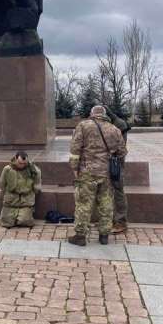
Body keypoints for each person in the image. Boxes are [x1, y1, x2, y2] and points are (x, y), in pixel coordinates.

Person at [68, 105, 127, 246]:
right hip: (106, 173)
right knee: (106, 203)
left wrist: (74, 168)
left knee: (84, 204)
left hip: (87, 172)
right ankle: (104, 235)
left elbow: (75, 149)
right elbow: (122, 152)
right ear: (105, 114)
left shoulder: (83, 126)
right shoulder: (114, 129)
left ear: (92, 113)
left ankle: (80, 236)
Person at [104, 106, 132, 234]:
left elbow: (120, 148)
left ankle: (121, 222)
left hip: (115, 163)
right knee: (108, 191)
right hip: (109, 162)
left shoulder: (119, 124)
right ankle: (109, 220)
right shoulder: (113, 123)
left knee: (118, 191)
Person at [0, 150, 42, 228]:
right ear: (15, 159)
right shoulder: (7, 169)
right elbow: (2, 183)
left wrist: (35, 191)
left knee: (24, 221)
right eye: (20, 163)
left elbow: (37, 184)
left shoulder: (34, 170)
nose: (22, 165)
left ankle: (22, 215)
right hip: (11, 200)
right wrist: (5, 195)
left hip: (26, 200)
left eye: (24, 163)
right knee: (6, 222)